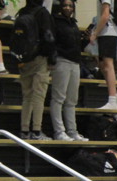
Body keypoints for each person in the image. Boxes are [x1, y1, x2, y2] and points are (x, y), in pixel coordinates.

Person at [16, 0, 55, 141]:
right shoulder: (42, 13)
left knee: (27, 96)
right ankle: (37, 131)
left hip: (24, 59)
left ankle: (24, 130)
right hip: (40, 58)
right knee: (39, 96)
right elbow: (48, 36)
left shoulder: (22, 12)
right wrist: (52, 59)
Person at [50, 0, 86, 141]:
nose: (67, 8)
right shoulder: (55, 22)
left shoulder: (73, 24)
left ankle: (72, 131)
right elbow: (52, 41)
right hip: (62, 61)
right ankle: (59, 131)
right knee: (58, 97)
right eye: (65, 5)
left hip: (75, 62)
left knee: (72, 99)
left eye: (70, 6)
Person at [89, 0, 117, 112]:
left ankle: (112, 99)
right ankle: (116, 101)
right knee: (104, 66)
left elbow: (105, 15)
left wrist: (95, 33)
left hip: (108, 33)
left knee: (108, 66)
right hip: (107, 33)